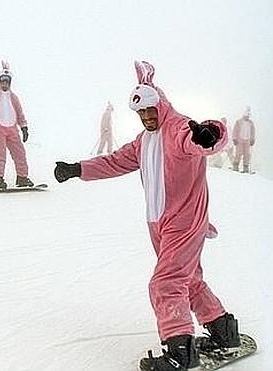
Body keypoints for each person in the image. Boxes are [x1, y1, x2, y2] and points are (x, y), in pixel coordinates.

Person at [54, 61, 241, 371]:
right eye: (141, 113)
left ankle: (180, 352)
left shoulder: (179, 128)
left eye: (150, 110)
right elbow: (115, 162)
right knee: (188, 280)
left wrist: (209, 134)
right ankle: (224, 332)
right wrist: (78, 169)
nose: (146, 117)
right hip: (160, 224)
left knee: (165, 282)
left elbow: (203, 139)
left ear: (161, 105)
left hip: (184, 221)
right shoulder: (144, 141)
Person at [0, 61, 33, 189]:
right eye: (2, 81)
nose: (4, 84)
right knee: (0, 154)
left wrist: (24, 127)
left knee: (20, 153)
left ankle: (22, 177)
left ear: (10, 82)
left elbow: (20, 113)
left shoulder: (14, 98)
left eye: (7, 82)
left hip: (12, 131)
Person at [232, 107, 256, 173]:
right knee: (238, 153)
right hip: (240, 139)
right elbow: (235, 130)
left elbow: (253, 132)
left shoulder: (251, 123)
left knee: (247, 154)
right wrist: (234, 138)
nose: (247, 117)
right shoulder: (239, 122)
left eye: (248, 116)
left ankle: (246, 167)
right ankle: (235, 166)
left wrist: (252, 139)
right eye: (246, 116)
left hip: (247, 140)